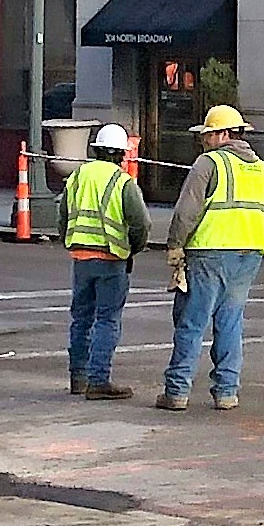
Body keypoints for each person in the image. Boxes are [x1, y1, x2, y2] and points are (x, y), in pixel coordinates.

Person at [156, 105, 264, 412]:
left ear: (222, 135)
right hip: (249, 252)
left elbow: (187, 210)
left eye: (207, 136)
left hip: (209, 252)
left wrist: (175, 245)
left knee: (191, 322)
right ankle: (226, 392)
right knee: (230, 321)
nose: (204, 142)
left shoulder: (209, 163)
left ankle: (177, 392)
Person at [58, 122, 151, 400]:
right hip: (111, 259)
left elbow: (63, 216)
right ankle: (99, 380)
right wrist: (132, 249)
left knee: (81, 319)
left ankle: (78, 377)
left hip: (81, 257)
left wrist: (71, 241)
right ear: (122, 154)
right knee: (107, 320)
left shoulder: (77, 176)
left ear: (96, 149)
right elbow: (141, 223)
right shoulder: (122, 182)